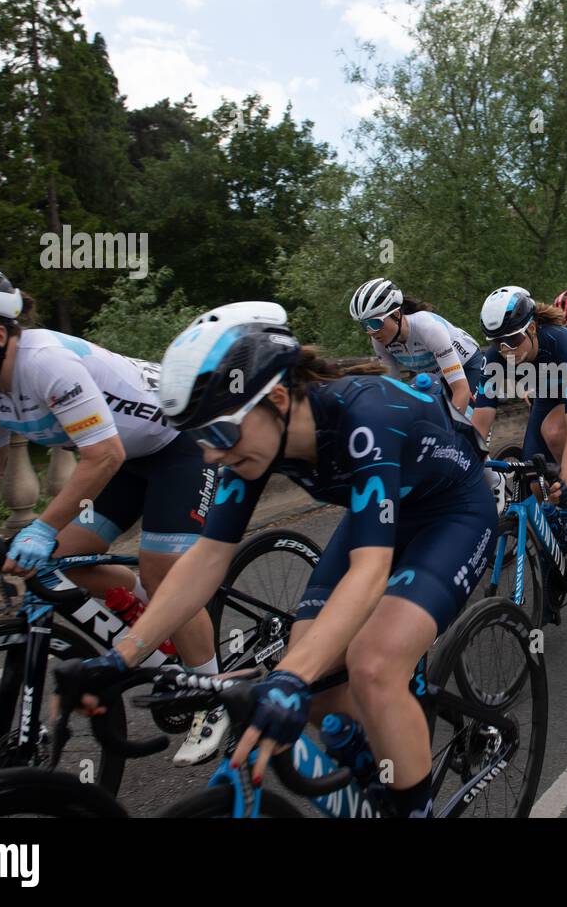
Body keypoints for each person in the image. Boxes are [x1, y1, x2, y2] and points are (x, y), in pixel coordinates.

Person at [67, 302, 499, 817]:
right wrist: (120, 659)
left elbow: (369, 570)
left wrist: (288, 679)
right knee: (313, 688)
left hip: (453, 514)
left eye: (218, 435)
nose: (210, 455)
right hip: (383, 512)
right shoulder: (252, 443)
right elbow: (206, 558)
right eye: (198, 439)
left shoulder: (367, 416)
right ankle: (376, 768)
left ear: (273, 397)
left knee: (373, 664)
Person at [0, 264, 225, 765]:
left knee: (163, 570)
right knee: (62, 562)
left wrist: (41, 525)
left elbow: (104, 456)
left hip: (180, 445)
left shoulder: (46, 364)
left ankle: (212, 693)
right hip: (126, 457)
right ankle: (158, 625)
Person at [472, 287, 567, 562]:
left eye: (513, 339)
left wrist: (564, 479)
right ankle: (558, 555)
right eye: (497, 341)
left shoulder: (563, 342)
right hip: (548, 399)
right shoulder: (495, 356)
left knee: (555, 430)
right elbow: (480, 421)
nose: (506, 350)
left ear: (533, 327)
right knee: (535, 481)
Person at [350, 277, 484, 415]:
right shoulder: (379, 341)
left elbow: (461, 389)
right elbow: (393, 391)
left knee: (470, 423)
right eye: (365, 325)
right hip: (435, 378)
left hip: (468, 367)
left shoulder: (427, 328)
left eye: (375, 323)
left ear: (396, 315)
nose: (371, 332)